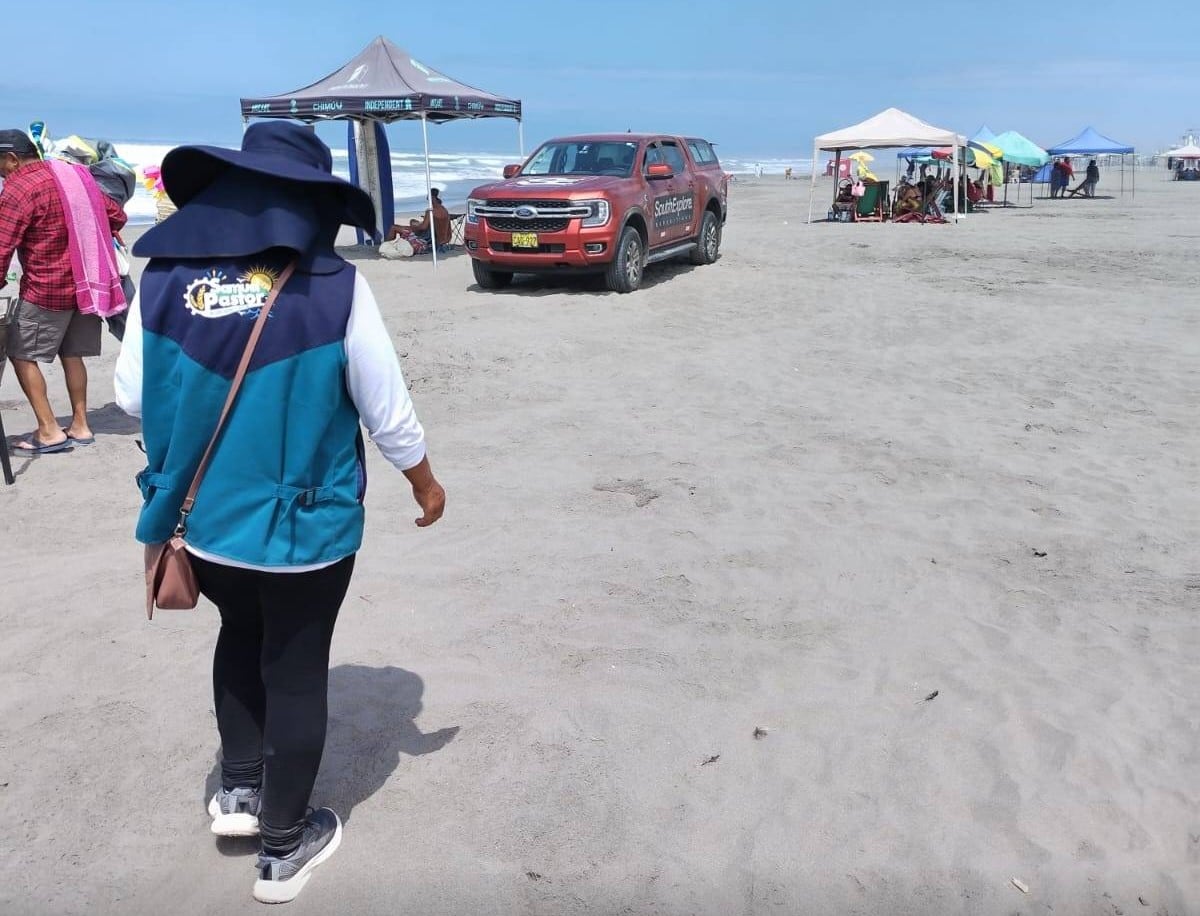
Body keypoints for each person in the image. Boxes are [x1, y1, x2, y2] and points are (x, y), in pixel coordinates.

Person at [113, 122, 446, 905]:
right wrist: (425, 483)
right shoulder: (333, 285)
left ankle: (237, 794)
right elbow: (385, 408)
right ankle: (284, 847)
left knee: (241, 635)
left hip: (203, 522)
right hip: (305, 527)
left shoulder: (161, 277)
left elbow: (131, 397)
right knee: (295, 670)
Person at [0, 128, 127, 454]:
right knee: (72, 354)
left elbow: (2, 246)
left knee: (21, 352)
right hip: (89, 284)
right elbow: (116, 213)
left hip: (47, 289)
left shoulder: (19, 188)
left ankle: (49, 430)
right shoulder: (73, 175)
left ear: (13, 159)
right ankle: (81, 425)